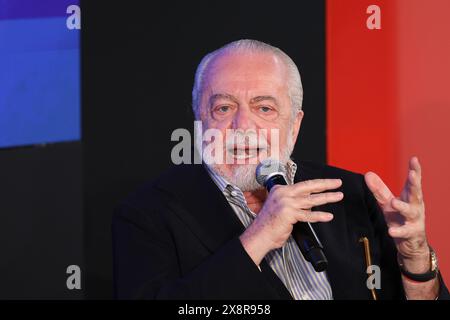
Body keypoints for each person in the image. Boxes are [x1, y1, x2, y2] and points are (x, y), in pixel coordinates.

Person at [112, 39, 448, 300]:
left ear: (295, 125)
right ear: (200, 122)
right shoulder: (148, 215)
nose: (243, 126)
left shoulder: (350, 195)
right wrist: (257, 239)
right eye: (224, 107)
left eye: (264, 107)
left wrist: (416, 261)